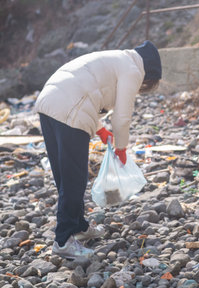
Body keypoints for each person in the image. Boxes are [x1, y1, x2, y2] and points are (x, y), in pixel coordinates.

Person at [34, 40, 162, 259]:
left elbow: (87, 88)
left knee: (65, 176)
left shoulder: (118, 58)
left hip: (49, 101)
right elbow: (122, 117)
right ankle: (63, 241)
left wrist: (101, 130)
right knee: (74, 178)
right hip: (69, 107)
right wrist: (121, 148)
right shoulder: (133, 70)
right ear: (148, 73)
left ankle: (78, 227)